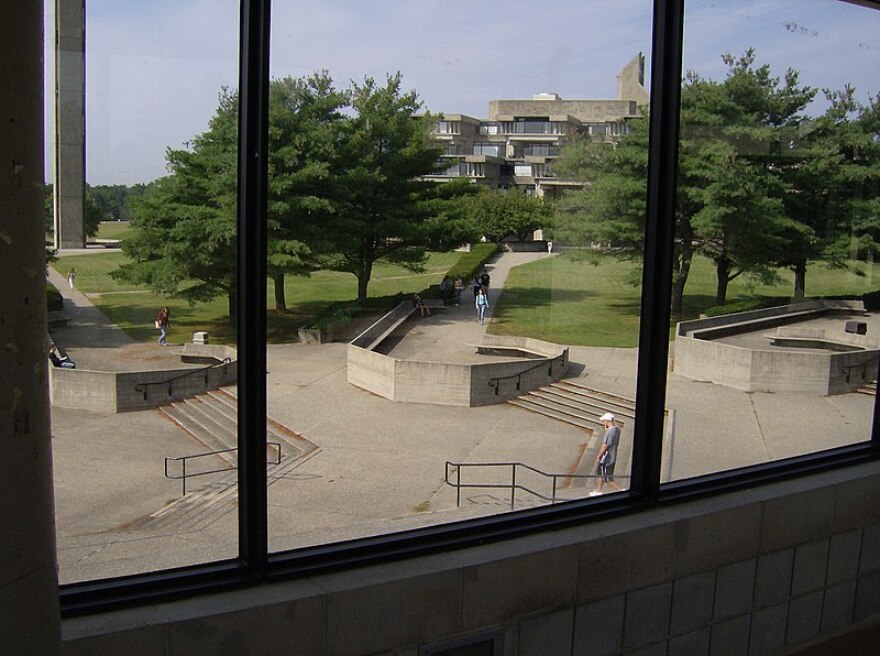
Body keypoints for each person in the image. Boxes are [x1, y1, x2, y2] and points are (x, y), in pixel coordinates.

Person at [590, 412, 624, 496]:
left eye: (604, 421)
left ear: (607, 421)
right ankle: (598, 491)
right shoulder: (616, 430)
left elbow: (605, 445)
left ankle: (621, 490)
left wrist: (599, 456)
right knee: (599, 473)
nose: (603, 423)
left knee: (607, 477)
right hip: (611, 456)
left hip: (607, 457)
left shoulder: (610, 432)